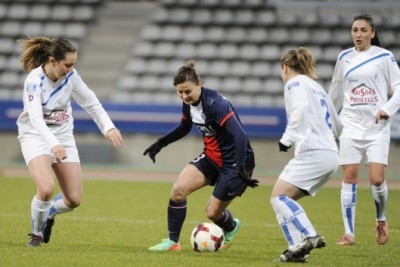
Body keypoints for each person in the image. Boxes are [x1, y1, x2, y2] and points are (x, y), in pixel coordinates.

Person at [17, 36, 124, 247]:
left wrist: (108, 127)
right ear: (52, 60)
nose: (71, 69)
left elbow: (91, 102)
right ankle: (36, 234)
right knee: (46, 189)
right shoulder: (33, 81)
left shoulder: (71, 76)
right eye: (67, 64)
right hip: (35, 136)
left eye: (73, 64)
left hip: (63, 136)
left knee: (73, 199)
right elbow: (36, 118)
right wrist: (52, 144)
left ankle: (49, 214)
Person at [143, 60, 259, 251]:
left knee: (212, 213)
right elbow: (184, 127)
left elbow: (240, 135)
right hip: (212, 158)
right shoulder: (187, 103)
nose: (184, 96)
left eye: (187, 91)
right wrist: (161, 143)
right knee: (178, 190)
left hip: (236, 163)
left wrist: (240, 167)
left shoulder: (216, 104)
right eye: (179, 92)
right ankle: (173, 243)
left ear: (199, 85)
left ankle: (231, 226)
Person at [328, 14, 400, 246]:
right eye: (354, 30)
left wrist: (387, 108)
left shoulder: (384, 57)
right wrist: (327, 120)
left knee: (377, 179)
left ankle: (381, 220)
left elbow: (399, 88)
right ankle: (349, 233)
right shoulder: (344, 57)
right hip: (349, 124)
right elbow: (335, 92)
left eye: (362, 30)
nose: (358, 34)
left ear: (372, 33)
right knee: (349, 176)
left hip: (377, 127)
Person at [270, 47, 342, 263]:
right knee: (282, 198)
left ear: (285, 68)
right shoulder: (317, 87)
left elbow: (300, 109)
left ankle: (309, 236)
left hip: (313, 152)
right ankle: (296, 251)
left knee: (278, 197)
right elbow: (338, 124)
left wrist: (287, 139)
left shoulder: (294, 83)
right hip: (330, 153)